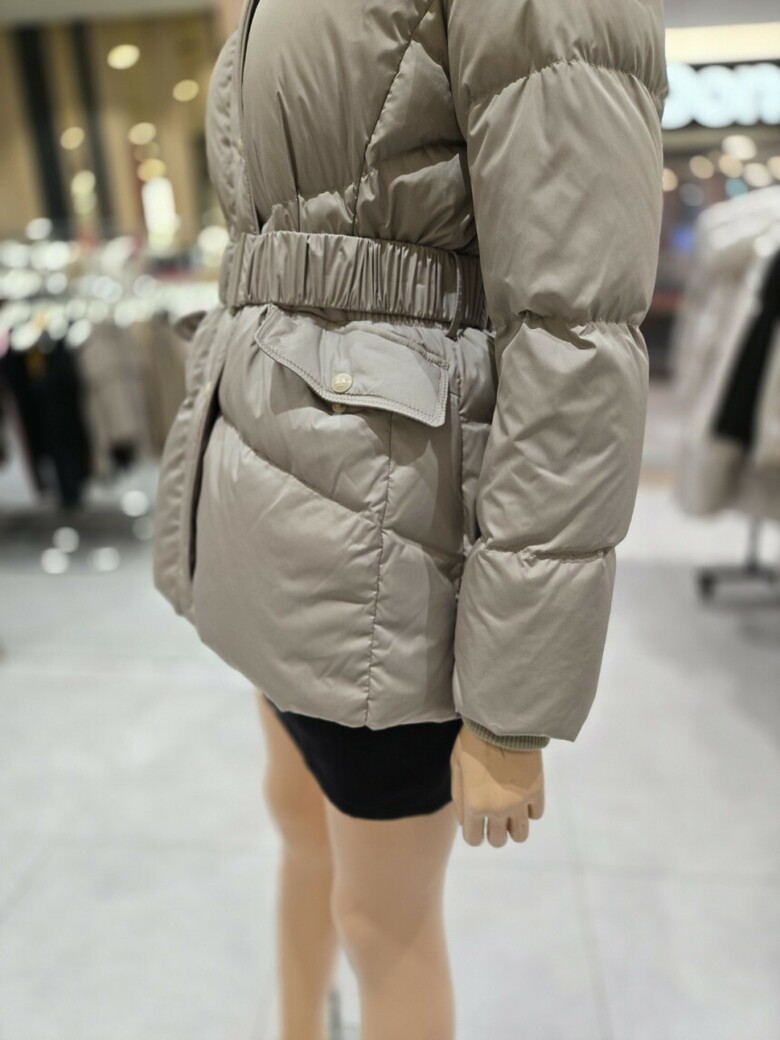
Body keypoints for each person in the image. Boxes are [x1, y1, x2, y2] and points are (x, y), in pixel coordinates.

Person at [152, 1, 668, 1036]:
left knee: (382, 921)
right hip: (275, 508)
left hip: (386, 544)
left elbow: (573, 331)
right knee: (299, 828)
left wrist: (514, 699)